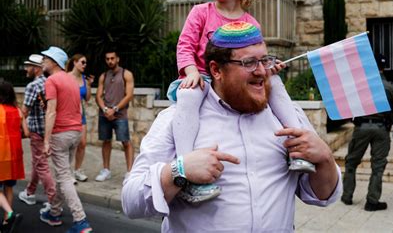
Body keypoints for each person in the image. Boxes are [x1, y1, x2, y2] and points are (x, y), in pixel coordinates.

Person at [122, 24, 341, 232]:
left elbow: (322, 195)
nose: (262, 71)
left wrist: (325, 159)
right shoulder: (177, 120)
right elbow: (131, 202)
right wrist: (178, 171)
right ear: (216, 70)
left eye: (264, 60)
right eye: (249, 63)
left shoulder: (289, 118)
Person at [169, 0, 313, 203]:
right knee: (189, 96)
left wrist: (269, 66)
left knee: (276, 83)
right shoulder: (201, 13)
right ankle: (187, 169)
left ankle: (297, 147)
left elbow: (257, 59)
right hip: (202, 75)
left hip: (237, 81)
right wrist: (190, 71)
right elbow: (185, 46)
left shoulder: (250, 23)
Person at [40, 46, 92, 232]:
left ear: (54, 61)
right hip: (75, 132)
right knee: (62, 176)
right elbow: (78, 107)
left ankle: (80, 220)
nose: (42, 61)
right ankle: (54, 212)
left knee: (64, 177)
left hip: (60, 134)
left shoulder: (52, 80)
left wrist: (46, 141)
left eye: (45, 58)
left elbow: (51, 112)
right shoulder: (72, 80)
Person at [340, 54, 393, 211]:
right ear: (383, 68)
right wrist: (386, 126)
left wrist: (357, 122)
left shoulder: (361, 86)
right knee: (378, 166)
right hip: (381, 128)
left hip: (362, 127)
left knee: (351, 162)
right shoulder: (390, 88)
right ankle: (372, 201)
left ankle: (347, 196)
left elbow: (349, 107)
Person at [18, 54, 57, 214]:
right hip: (48, 130)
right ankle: (29, 192)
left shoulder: (32, 86)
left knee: (41, 166)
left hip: (36, 132)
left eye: (28, 66)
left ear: (36, 68)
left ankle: (54, 201)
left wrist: (19, 127)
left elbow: (24, 112)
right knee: (38, 162)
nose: (26, 69)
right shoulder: (49, 82)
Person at [95, 50, 134, 181]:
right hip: (104, 114)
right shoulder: (104, 76)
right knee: (106, 141)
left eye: (112, 58)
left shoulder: (126, 74)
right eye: (107, 59)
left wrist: (115, 109)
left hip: (120, 114)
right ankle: (106, 170)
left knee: (126, 142)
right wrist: (105, 109)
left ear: (117, 59)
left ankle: (130, 172)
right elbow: (98, 96)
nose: (110, 61)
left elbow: (129, 95)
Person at [0, 80, 24, 233]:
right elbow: (26, 132)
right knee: (9, 187)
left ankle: (9, 213)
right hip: (14, 155)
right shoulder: (18, 110)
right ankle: (6, 223)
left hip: (1, 153)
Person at [66, 54, 94, 183]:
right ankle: (68, 172)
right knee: (70, 145)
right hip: (69, 114)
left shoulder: (83, 78)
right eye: (82, 62)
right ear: (75, 62)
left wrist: (89, 85)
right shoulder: (66, 77)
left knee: (82, 143)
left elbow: (87, 98)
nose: (84, 65)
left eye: (85, 63)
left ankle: (77, 170)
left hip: (81, 115)